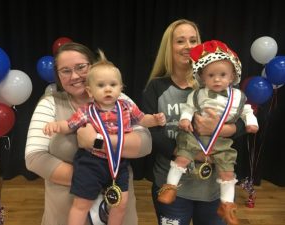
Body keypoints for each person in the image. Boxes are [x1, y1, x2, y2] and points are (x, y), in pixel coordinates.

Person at [25, 42, 152, 225]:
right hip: (66, 210)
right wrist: (91, 178)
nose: (75, 76)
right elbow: (34, 158)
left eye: (81, 67)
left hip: (117, 206)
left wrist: (96, 141)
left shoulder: (118, 99)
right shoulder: (50, 103)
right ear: (58, 76)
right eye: (65, 71)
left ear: (93, 67)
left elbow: (145, 144)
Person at [140, 19, 246, 225]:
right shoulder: (156, 87)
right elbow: (149, 133)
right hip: (172, 186)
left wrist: (223, 129)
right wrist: (190, 153)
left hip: (211, 189)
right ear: (168, 48)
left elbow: (242, 121)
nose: (188, 46)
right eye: (180, 41)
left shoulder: (217, 81)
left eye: (193, 40)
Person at [157, 40, 259, 225]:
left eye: (222, 75)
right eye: (211, 75)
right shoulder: (197, 94)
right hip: (194, 138)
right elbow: (188, 108)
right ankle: (170, 187)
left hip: (221, 143)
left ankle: (227, 206)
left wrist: (250, 123)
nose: (217, 79)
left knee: (227, 173)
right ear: (203, 77)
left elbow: (247, 111)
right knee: (181, 158)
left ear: (232, 77)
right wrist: (185, 119)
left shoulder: (238, 97)